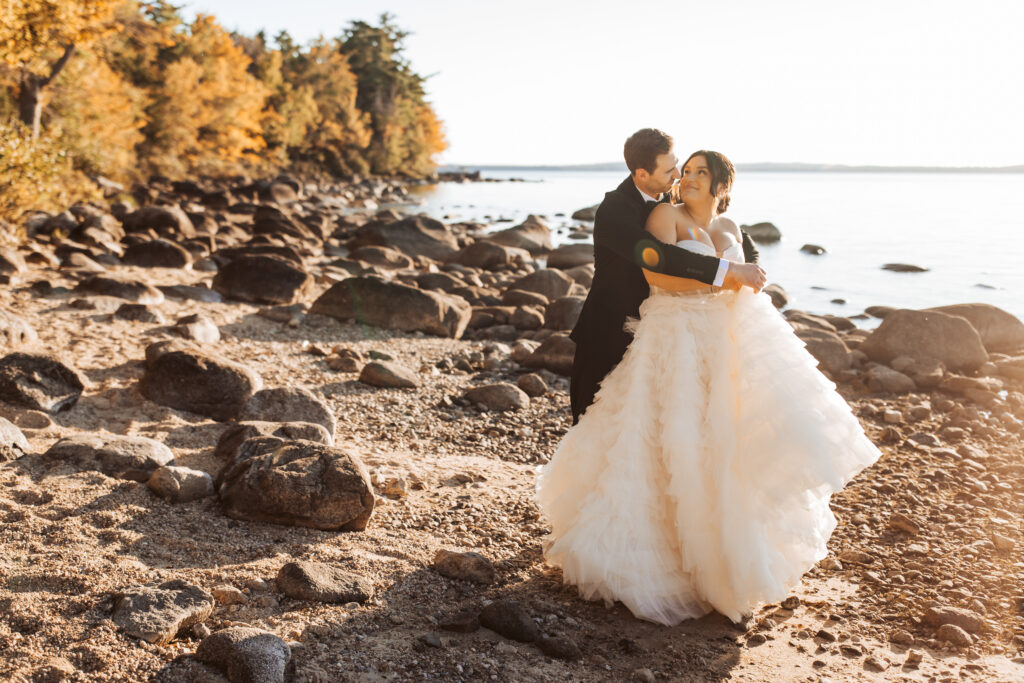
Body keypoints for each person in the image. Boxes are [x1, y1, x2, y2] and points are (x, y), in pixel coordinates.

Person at [536, 149, 881, 625]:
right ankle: (659, 560)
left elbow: (751, 269)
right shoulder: (663, 214)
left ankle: (727, 557)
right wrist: (727, 279)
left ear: (722, 185)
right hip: (674, 338)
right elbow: (657, 275)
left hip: (721, 343)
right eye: (687, 169)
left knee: (727, 441)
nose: (689, 177)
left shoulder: (733, 228)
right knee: (670, 439)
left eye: (702, 172)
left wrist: (747, 277)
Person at [569, 128, 766, 425]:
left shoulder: (672, 203)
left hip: (669, 330)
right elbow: (661, 257)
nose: (678, 174)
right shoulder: (615, 211)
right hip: (611, 328)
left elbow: (744, 243)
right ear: (642, 174)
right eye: (671, 168)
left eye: (678, 165)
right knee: (594, 419)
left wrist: (752, 269)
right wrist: (729, 273)